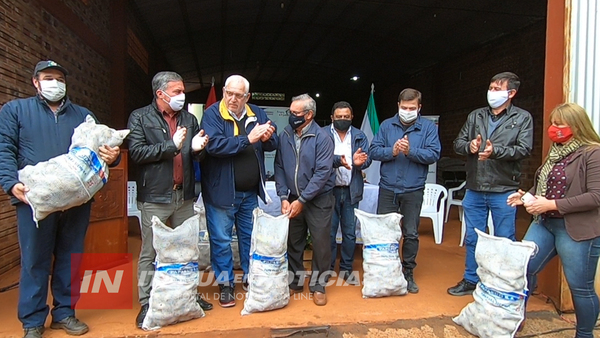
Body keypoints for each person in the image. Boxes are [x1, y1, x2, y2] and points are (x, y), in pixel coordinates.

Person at [0, 60, 121, 338]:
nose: (54, 83)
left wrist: (111, 158)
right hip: (34, 200)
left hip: (75, 203)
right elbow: (4, 149)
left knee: (70, 257)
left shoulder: (82, 115)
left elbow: (99, 152)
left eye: (59, 78)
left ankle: (64, 313)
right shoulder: (16, 111)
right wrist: (10, 183)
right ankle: (32, 321)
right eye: (47, 77)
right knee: (35, 259)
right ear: (36, 82)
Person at [127, 71, 212, 328]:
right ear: (160, 93)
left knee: (187, 249)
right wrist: (170, 146)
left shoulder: (188, 118)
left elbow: (197, 158)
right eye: (176, 92)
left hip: (184, 195)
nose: (182, 96)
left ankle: (188, 294)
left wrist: (198, 150)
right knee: (150, 250)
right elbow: (137, 152)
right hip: (155, 197)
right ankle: (147, 302)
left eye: (182, 90)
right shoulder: (140, 117)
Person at [507, 103, 600, 338]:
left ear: (577, 126)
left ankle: (584, 334)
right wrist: (525, 195)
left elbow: (596, 196)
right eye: (552, 123)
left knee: (580, 287)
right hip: (545, 224)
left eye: (560, 124)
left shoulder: (593, 153)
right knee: (523, 269)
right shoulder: (557, 150)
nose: (554, 128)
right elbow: (547, 186)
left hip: (576, 229)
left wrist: (552, 205)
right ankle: (514, 320)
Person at [448, 72, 533, 296]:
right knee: (473, 236)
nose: (492, 92)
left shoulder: (522, 118)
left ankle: (502, 284)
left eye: (498, 88)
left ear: (511, 93)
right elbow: (457, 143)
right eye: (491, 87)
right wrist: (470, 147)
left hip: (503, 189)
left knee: (505, 239)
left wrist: (495, 152)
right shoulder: (476, 116)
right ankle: (471, 279)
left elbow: (524, 149)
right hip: (475, 187)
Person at [200, 75, 278, 307]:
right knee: (222, 240)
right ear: (224, 91)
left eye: (238, 95)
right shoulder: (212, 114)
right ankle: (225, 285)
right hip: (221, 192)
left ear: (247, 97)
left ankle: (250, 278)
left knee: (249, 238)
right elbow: (214, 146)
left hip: (249, 193)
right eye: (229, 93)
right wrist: (248, 138)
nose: (232, 99)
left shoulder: (257, 113)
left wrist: (267, 137)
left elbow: (271, 145)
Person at [369, 88, 441, 294]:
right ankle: (385, 270)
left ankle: (408, 271)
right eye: (404, 107)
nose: (407, 111)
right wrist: (392, 151)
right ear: (398, 106)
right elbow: (374, 151)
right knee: (384, 231)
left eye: (412, 108)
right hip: (388, 188)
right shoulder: (386, 125)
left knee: (410, 232)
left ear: (419, 108)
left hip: (413, 188)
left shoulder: (428, 128)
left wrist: (411, 151)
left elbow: (434, 153)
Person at [275, 93, 335, 306]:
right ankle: (296, 282)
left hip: (318, 200)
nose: (291, 117)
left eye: (295, 113)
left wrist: (303, 200)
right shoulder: (285, 135)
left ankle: (318, 286)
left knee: (320, 243)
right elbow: (280, 166)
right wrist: (284, 195)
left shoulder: (323, 138)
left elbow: (322, 173)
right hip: (292, 198)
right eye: (290, 112)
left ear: (308, 115)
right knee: (294, 242)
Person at [324, 101, 371, 284]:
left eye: (346, 116)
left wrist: (361, 163)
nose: (342, 119)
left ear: (352, 117)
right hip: (329, 190)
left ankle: (346, 269)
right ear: (332, 118)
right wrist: (337, 160)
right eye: (338, 117)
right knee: (329, 232)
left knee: (350, 233)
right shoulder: (323, 134)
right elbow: (317, 159)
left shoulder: (360, 135)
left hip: (351, 190)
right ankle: (327, 269)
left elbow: (367, 159)